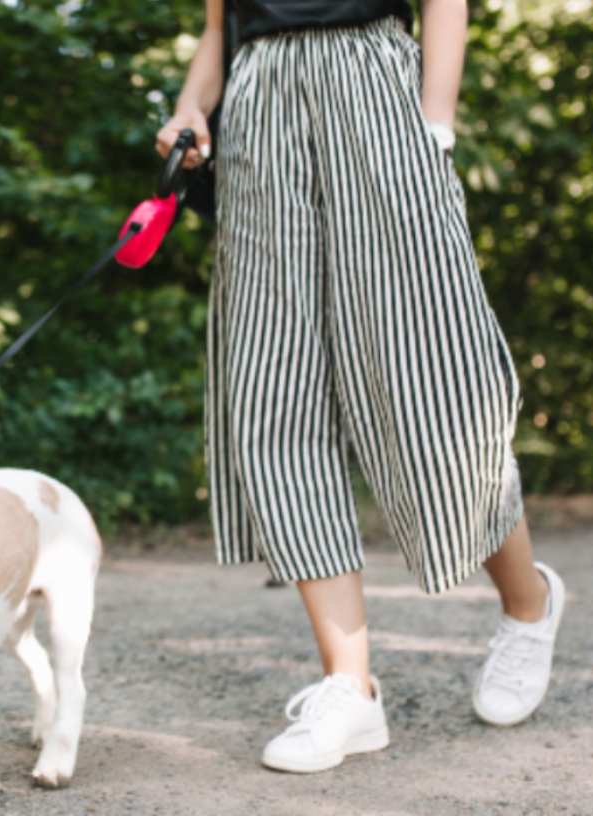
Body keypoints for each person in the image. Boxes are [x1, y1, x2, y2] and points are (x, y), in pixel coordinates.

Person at [156, 0, 565, 773]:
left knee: (431, 386)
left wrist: (433, 123)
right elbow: (219, 27)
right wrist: (189, 109)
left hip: (377, 95)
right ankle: (350, 690)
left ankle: (528, 604)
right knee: (272, 391)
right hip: (260, 110)